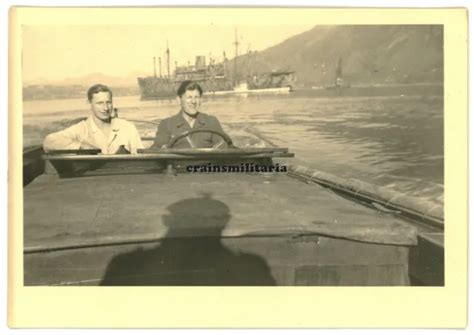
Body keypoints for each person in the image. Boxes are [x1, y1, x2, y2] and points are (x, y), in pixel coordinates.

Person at [43, 84, 144, 154]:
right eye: (99, 103)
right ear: (89, 103)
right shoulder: (81, 129)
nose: (105, 108)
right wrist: (81, 147)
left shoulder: (127, 127)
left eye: (108, 102)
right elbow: (49, 142)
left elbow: (141, 156)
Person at [152, 80, 231, 149]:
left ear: (200, 100)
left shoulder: (211, 122)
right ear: (179, 100)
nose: (193, 101)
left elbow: (224, 148)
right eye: (189, 97)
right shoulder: (167, 125)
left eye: (196, 97)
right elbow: (156, 153)